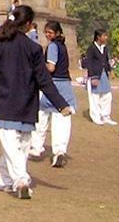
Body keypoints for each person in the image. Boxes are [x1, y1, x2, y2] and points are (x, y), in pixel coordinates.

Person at [0, 5, 70, 200]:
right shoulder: (33, 48)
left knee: (11, 147)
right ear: (29, 25)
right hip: (26, 105)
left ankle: (21, 180)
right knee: (21, 147)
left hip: (3, 105)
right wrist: (61, 104)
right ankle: (6, 180)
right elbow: (44, 80)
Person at [28, 21, 77, 168]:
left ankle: (36, 147)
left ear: (57, 33)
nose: (48, 34)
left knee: (41, 117)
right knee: (62, 120)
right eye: (46, 32)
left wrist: (36, 66)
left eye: (50, 32)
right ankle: (59, 151)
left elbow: (50, 67)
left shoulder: (53, 46)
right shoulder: (62, 46)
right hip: (65, 86)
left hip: (52, 86)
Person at [85, 29, 117, 126]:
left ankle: (106, 116)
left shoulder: (105, 48)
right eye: (104, 36)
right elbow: (89, 63)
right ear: (98, 37)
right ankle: (96, 117)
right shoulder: (91, 48)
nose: (106, 38)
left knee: (107, 95)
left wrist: (111, 71)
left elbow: (106, 61)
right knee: (95, 97)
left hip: (104, 74)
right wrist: (93, 77)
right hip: (95, 75)